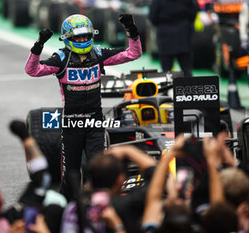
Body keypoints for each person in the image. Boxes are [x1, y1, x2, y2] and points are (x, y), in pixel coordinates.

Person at [25, 13, 142, 197]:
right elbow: (32, 70)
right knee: (71, 174)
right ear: (68, 38)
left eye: (85, 36)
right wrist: (38, 46)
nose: (82, 40)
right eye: (78, 37)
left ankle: (99, 206)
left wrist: (131, 30)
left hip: (95, 123)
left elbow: (133, 53)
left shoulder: (99, 53)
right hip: (71, 125)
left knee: (98, 170)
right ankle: (68, 208)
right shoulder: (61, 58)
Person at [149, 0, 199, 77]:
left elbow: (152, 17)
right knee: (187, 70)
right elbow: (193, 13)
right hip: (183, 36)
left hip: (165, 37)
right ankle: (188, 88)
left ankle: (167, 88)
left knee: (166, 72)